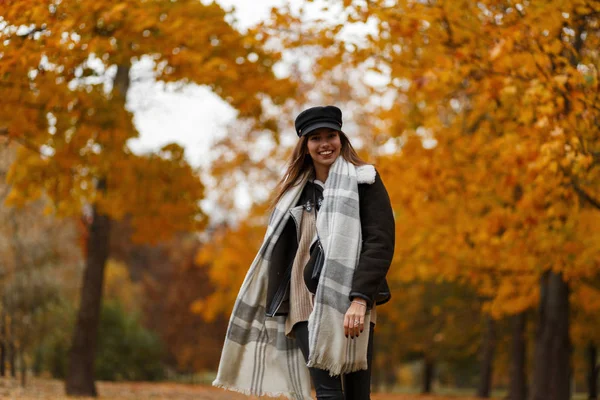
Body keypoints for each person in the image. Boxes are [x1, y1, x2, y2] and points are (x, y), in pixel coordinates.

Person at [213, 105, 395, 400]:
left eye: (331, 135)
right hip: (302, 301)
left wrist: (360, 299)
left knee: (357, 393)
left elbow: (380, 243)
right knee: (328, 393)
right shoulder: (293, 193)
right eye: (316, 138)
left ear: (342, 139)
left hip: (354, 298)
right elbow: (278, 253)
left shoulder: (365, 182)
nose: (325, 144)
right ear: (305, 146)